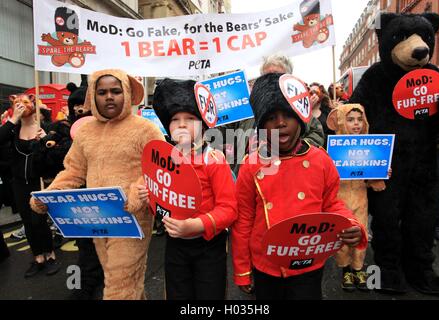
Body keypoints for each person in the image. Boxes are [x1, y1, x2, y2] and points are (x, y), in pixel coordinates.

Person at [31, 69, 165, 300]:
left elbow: (161, 167)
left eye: (116, 91)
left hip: (133, 220)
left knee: (118, 284)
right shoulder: (85, 132)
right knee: (123, 280)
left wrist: (136, 194)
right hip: (98, 221)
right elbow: (73, 171)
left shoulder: (145, 129)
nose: (109, 96)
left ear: (127, 93)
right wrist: (49, 195)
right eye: (102, 92)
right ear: (93, 96)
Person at [231, 73, 367, 300]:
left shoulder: (321, 160)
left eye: (288, 115)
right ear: (262, 124)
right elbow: (243, 221)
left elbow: (332, 203)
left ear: (301, 118)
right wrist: (243, 270)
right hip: (266, 264)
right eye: (271, 117)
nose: (281, 122)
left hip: (308, 262)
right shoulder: (250, 165)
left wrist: (351, 224)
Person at [150, 78, 237, 300]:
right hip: (175, 245)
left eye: (190, 118)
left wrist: (196, 225)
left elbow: (229, 209)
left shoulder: (214, 159)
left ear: (203, 124)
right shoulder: (164, 160)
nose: (181, 124)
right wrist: (148, 196)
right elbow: (161, 204)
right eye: (175, 119)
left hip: (209, 246)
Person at [326, 104, 392, 291]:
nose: (356, 124)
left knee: (361, 232)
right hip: (339, 200)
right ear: (339, 121)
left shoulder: (370, 147)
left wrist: (380, 171)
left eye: (359, 119)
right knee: (342, 237)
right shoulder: (332, 148)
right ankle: (346, 269)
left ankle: (358, 268)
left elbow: (372, 178)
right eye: (350, 119)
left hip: (361, 199)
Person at [233, 53, 325, 176]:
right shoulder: (247, 107)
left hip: (283, 176)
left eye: (277, 76)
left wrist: (291, 149)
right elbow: (222, 135)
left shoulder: (299, 108)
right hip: (248, 176)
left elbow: (317, 135)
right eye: (266, 77)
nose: (271, 82)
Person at [0, 94, 60, 277]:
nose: (21, 105)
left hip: (38, 182)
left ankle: (50, 255)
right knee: (28, 222)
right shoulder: (12, 129)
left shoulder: (45, 128)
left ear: (33, 104)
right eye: (17, 103)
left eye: (25, 102)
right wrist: (13, 119)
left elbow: (57, 158)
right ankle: (38, 257)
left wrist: (46, 141)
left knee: (39, 220)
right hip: (18, 182)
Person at [309, 82, 334, 147]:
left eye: (316, 92)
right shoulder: (304, 112)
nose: (313, 96)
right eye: (311, 93)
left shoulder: (328, 112)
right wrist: (309, 108)